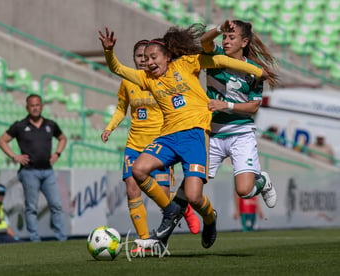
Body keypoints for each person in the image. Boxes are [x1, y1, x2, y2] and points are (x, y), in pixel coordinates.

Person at [98, 23, 268, 250]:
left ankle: (210, 219)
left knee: (194, 197)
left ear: (168, 56)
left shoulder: (186, 64)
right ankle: (170, 211)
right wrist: (109, 52)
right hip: (167, 137)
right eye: (145, 59)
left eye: (153, 57)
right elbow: (117, 69)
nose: (149, 62)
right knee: (138, 170)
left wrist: (257, 71)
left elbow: (219, 61)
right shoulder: (147, 78)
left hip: (195, 136)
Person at [101, 40, 200, 252]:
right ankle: (145, 241)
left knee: (163, 196)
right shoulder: (128, 82)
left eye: (147, 57)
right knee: (131, 187)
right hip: (134, 144)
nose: (143, 60)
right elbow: (121, 109)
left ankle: (183, 211)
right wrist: (109, 127)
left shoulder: (161, 79)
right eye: (139, 57)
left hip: (160, 144)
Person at [200, 20, 278, 213]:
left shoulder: (253, 71)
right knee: (194, 184)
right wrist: (219, 28)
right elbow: (204, 41)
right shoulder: (215, 55)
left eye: (231, 37)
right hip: (213, 132)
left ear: (243, 42)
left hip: (240, 133)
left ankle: (263, 181)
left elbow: (253, 107)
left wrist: (226, 105)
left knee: (244, 191)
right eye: (224, 37)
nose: (226, 41)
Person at [0, 94, 67, 242]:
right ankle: (35, 239)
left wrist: (57, 153)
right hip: (29, 171)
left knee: (56, 204)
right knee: (31, 207)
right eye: (32, 106)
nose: (35, 108)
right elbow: (2, 141)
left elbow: (62, 138)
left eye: (37, 105)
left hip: (48, 171)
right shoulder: (20, 126)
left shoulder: (50, 125)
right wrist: (14, 156)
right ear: (27, 107)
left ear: (41, 106)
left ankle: (61, 238)